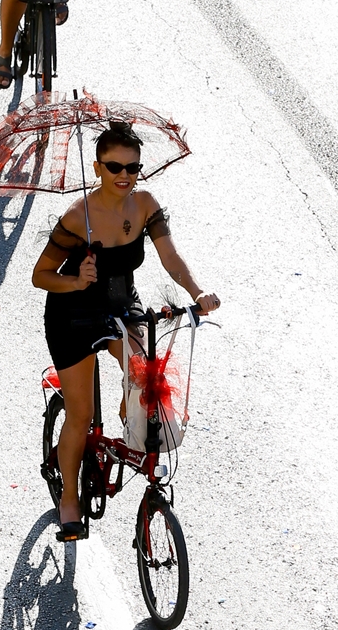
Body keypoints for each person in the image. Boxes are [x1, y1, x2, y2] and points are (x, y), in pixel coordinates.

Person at [32, 122, 219, 541]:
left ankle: (128, 435)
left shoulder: (145, 205)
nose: (124, 175)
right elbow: (40, 276)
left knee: (143, 376)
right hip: (72, 313)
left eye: (133, 168)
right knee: (80, 415)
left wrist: (198, 290)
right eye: (114, 166)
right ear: (97, 167)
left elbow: (170, 256)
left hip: (122, 308)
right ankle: (68, 501)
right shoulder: (77, 218)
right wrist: (77, 281)